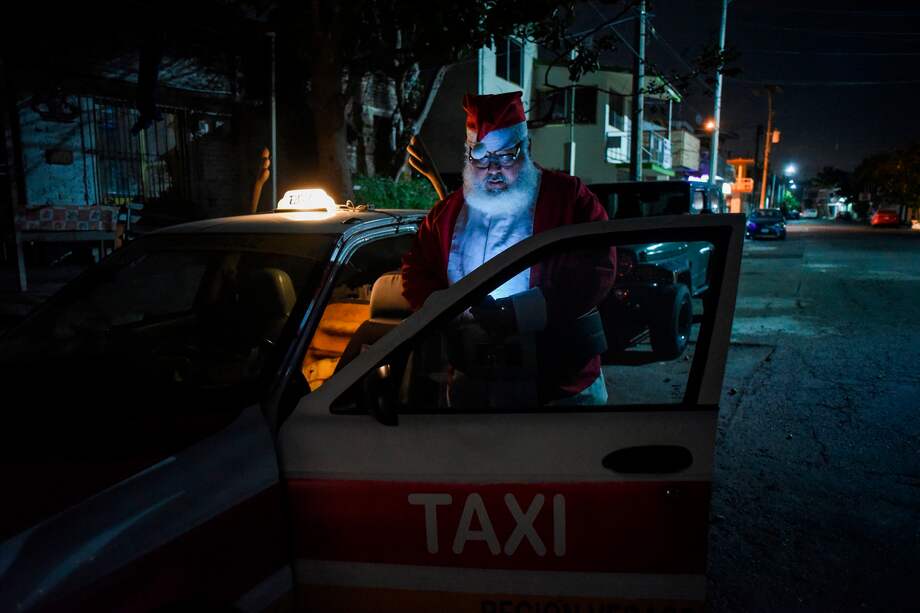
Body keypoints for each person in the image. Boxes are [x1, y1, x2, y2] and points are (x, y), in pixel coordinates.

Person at [400, 91, 616, 406]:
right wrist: (446, 308)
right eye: (482, 156)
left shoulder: (569, 198)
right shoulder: (446, 213)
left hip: (561, 388)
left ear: (526, 148)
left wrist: (521, 313)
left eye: (506, 155)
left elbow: (598, 268)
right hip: (473, 383)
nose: (493, 168)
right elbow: (417, 270)